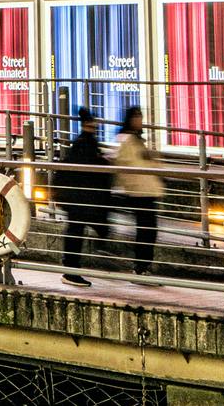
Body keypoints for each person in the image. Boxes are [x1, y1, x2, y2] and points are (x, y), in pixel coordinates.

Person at [56, 106, 113, 286]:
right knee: (76, 231)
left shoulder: (85, 142)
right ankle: (71, 271)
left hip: (79, 196)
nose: (94, 126)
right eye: (92, 123)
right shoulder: (85, 143)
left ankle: (72, 269)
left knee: (78, 229)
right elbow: (87, 166)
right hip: (79, 197)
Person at [112, 105, 163, 275]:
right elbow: (122, 165)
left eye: (140, 116)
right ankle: (141, 266)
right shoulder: (126, 140)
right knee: (145, 230)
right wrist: (129, 187)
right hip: (139, 192)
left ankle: (144, 265)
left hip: (148, 191)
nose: (139, 120)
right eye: (136, 116)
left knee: (149, 230)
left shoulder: (138, 140)